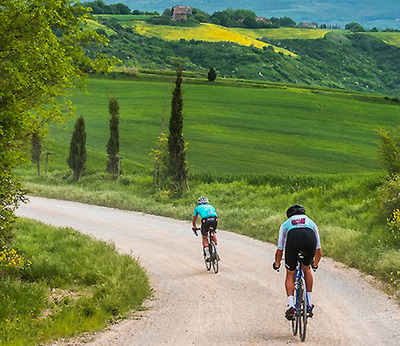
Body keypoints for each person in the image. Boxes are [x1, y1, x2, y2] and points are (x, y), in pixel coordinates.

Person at [272, 204, 322, 321]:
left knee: (290, 273)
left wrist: (277, 264)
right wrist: (315, 264)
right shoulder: (311, 222)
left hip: (293, 240)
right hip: (309, 238)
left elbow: (280, 249)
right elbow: (319, 250)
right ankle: (309, 303)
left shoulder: (286, 224)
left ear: (289, 215)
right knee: (307, 268)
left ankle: (291, 305)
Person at [192, 196, 218, 261]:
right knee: (213, 232)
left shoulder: (197, 208)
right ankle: (215, 250)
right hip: (215, 219)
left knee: (204, 237)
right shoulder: (211, 206)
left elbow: (194, 219)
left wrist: (194, 227)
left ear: (198, 203)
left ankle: (208, 255)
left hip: (205, 220)